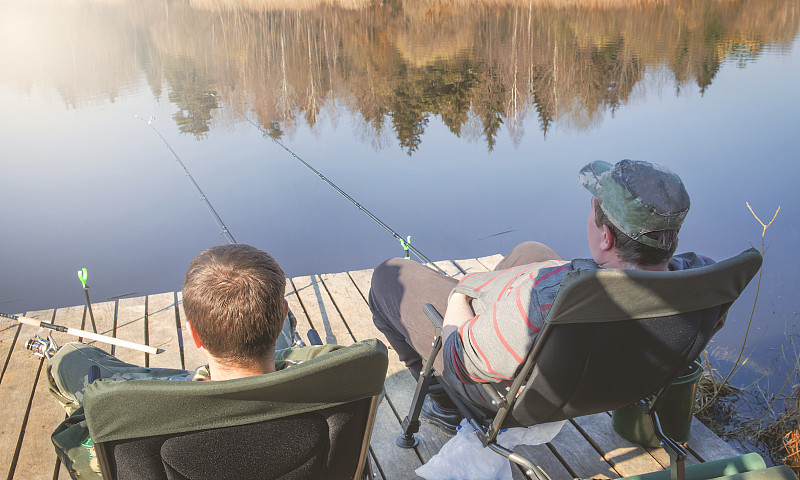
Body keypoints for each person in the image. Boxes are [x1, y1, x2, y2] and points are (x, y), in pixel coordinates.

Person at [369, 159, 716, 435]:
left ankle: (443, 403)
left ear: (606, 237)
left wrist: (461, 297)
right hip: (608, 383)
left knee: (388, 275)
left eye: (592, 209)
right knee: (531, 249)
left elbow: (460, 360)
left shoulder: (552, 296)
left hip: (516, 399)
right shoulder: (707, 281)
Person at [48, 244, 336, 478]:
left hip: (172, 399)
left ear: (194, 334)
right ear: (283, 313)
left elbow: (74, 448)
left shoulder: (134, 413)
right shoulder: (337, 379)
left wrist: (86, 413)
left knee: (68, 358)